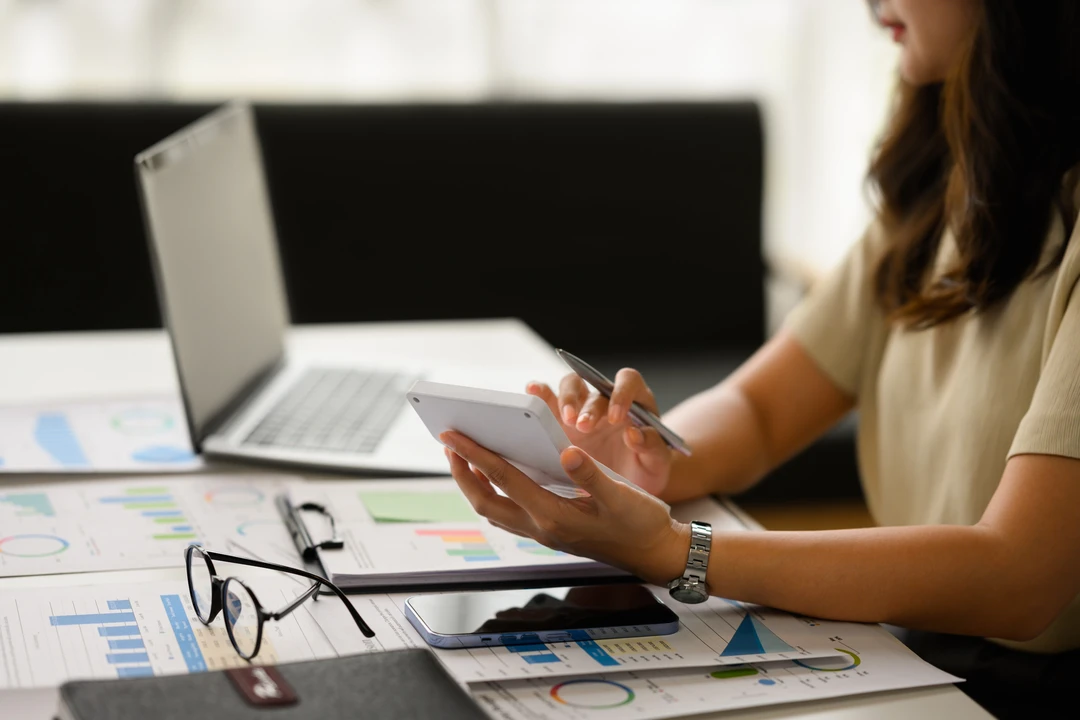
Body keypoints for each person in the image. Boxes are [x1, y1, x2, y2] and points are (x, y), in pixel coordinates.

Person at [441, 1, 1080, 716]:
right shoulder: (940, 195)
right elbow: (763, 408)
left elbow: (1020, 578)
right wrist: (648, 456)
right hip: (920, 642)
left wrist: (677, 550)